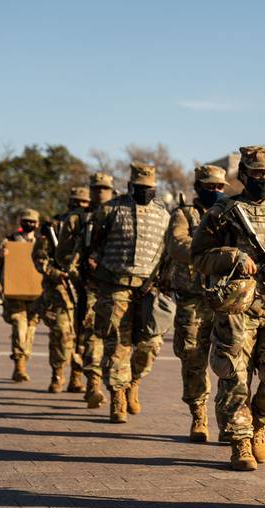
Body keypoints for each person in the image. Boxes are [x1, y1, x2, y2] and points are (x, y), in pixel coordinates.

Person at [190, 146, 265, 470]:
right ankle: (239, 441)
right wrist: (233, 257)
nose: (263, 179)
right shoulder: (223, 213)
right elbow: (198, 256)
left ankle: (258, 426)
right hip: (237, 309)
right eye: (257, 173)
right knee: (235, 377)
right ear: (243, 175)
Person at [89, 163, 170, 423]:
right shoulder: (110, 210)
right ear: (130, 186)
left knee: (151, 343)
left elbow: (167, 252)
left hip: (149, 288)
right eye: (140, 187)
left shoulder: (163, 215)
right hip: (116, 286)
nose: (145, 192)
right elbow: (91, 244)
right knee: (117, 344)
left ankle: (133, 382)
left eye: (149, 188)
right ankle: (118, 396)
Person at [166, 164, 227, 442]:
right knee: (193, 358)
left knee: (231, 361)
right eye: (209, 186)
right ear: (197, 187)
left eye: (219, 187)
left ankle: (230, 421)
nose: (215, 191)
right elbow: (177, 245)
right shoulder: (184, 214)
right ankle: (198, 414)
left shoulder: (231, 212)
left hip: (226, 298)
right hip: (193, 298)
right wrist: (213, 255)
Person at [57, 172, 115, 408]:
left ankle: (127, 388)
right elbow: (62, 253)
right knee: (91, 333)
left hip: (119, 285)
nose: (100, 192)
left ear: (112, 191)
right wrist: (75, 266)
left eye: (104, 188)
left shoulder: (121, 213)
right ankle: (93, 385)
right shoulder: (77, 220)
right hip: (90, 285)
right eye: (96, 188)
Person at [33, 187, 89, 393]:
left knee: (83, 334)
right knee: (61, 333)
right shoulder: (53, 227)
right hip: (59, 290)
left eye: (84, 203)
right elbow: (39, 258)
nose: (79, 207)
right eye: (76, 203)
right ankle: (57, 375)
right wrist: (56, 273)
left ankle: (77, 377)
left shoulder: (91, 225)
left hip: (83, 288)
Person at [0, 209, 41, 382]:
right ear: (21, 222)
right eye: (26, 221)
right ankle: (19, 365)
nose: (29, 224)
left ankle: (23, 358)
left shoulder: (41, 242)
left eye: (32, 221)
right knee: (19, 324)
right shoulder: (10, 240)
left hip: (36, 294)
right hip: (15, 292)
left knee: (31, 328)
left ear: (37, 224)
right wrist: (2, 254)